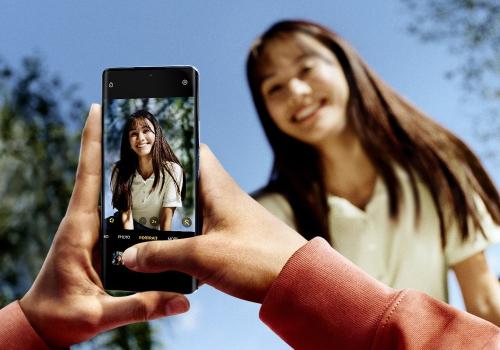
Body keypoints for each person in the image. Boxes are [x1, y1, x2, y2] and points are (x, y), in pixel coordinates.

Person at [1, 105, 499, 349]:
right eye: (132, 131)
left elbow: (483, 298)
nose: (140, 136)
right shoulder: (121, 175)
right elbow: (125, 215)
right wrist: (31, 324)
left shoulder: (175, 173)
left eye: (147, 128)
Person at [246, 20, 500, 324]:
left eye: (306, 69)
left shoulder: (438, 168)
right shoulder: (273, 213)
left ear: (345, 66)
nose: (296, 91)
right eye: (274, 87)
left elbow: (484, 303)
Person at [111, 109, 183, 231]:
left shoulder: (173, 170)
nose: (141, 138)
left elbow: (166, 219)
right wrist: (129, 244)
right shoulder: (119, 170)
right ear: (128, 141)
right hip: (121, 229)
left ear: (157, 134)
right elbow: (126, 216)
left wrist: (164, 248)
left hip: (150, 234)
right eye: (134, 134)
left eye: (146, 131)